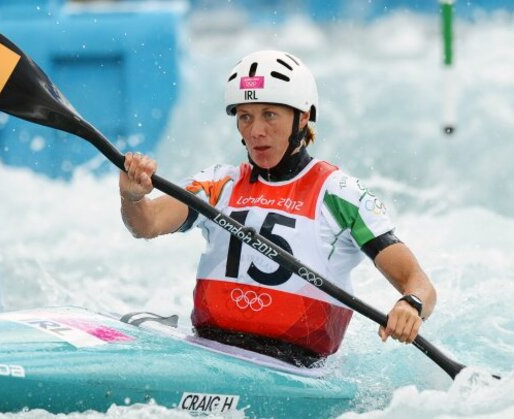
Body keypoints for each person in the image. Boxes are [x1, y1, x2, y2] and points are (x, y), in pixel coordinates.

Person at [119, 50, 437, 367]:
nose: (256, 130)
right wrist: (133, 198)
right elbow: (148, 224)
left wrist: (410, 305)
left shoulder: (340, 195)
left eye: (269, 114)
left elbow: (418, 283)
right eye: (245, 116)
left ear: (302, 117)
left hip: (297, 369)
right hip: (210, 352)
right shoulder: (218, 183)